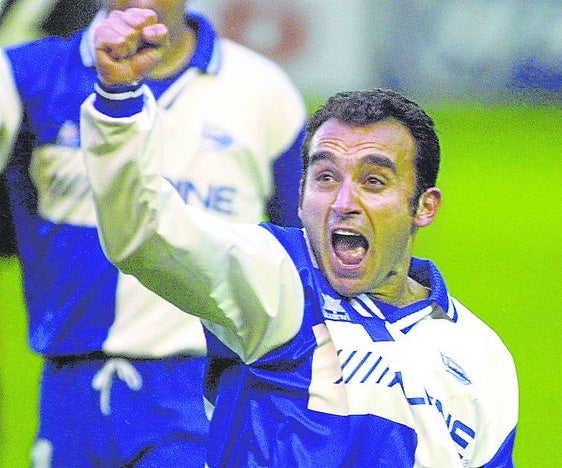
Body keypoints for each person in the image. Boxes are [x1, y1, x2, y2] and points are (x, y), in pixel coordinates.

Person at [80, 12, 519, 468]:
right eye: (326, 177)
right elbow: (145, 232)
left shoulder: (483, 356)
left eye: (372, 181)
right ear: (302, 194)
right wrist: (118, 101)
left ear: (424, 206)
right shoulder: (276, 281)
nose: (344, 201)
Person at [0, 1, 306, 466]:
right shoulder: (26, 76)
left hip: (199, 386)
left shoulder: (263, 91)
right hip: (69, 387)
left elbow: (302, 250)